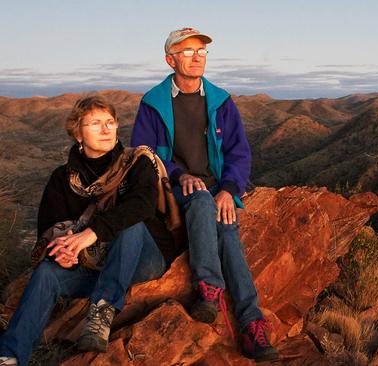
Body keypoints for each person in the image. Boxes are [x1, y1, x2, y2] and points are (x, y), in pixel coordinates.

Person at [131, 27, 278, 362]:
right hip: (173, 189)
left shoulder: (221, 101)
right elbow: (143, 154)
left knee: (227, 230)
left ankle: (251, 324)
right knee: (198, 199)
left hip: (215, 187)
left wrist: (228, 190)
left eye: (201, 51)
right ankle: (208, 288)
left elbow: (239, 153)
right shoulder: (153, 104)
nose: (197, 57)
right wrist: (179, 174)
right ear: (170, 59)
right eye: (187, 51)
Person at [0, 96, 175, 366]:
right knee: (47, 273)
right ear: (77, 132)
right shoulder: (62, 178)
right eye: (95, 123)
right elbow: (48, 230)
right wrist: (61, 254)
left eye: (110, 122)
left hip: (143, 259)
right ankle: (10, 356)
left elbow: (142, 206)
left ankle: (101, 313)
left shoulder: (136, 163)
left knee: (131, 224)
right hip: (94, 267)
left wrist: (91, 233)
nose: (106, 130)